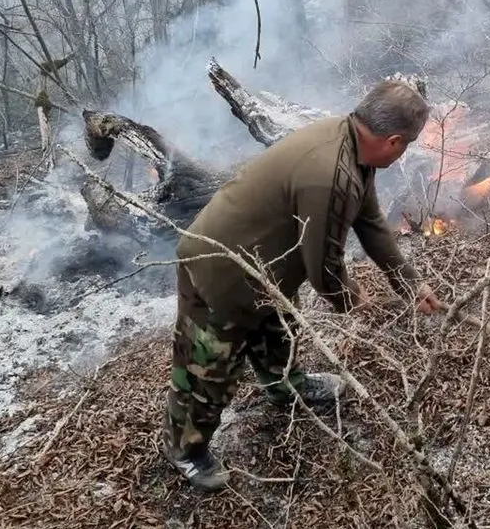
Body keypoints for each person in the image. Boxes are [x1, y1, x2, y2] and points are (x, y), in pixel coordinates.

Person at [162, 79, 442, 490]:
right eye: (408, 146)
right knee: (209, 367)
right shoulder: (330, 173)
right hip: (220, 266)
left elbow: (372, 224)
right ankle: (184, 449)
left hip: (263, 265)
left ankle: (286, 387)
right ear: (394, 141)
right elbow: (323, 268)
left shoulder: (353, 146)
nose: (405, 154)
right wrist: (354, 300)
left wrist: (410, 285)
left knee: (278, 325)